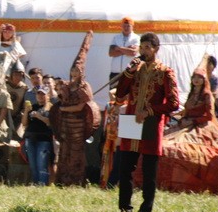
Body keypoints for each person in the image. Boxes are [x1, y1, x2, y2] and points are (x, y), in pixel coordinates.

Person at [115, 32, 179, 212]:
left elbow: (174, 103)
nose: (143, 51)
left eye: (147, 48)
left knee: (149, 171)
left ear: (156, 49)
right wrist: (128, 72)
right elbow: (120, 94)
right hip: (131, 120)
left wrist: (150, 111)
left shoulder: (165, 72)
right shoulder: (135, 69)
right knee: (125, 168)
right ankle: (124, 209)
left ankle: (145, 211)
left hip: (151, 123)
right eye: (141, 48)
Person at [49, 31, 99, 186]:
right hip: (66, 125)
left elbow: (81, 106)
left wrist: (65, 110)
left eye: (77, 70)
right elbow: (59, 99)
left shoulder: (84, 87)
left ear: (81, 72)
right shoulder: (66, 86)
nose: (74, 73)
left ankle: (76, 181)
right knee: (64, 151)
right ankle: (62, 181)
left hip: (78, 125)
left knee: (76, 153)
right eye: (73, 70)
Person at [21, 86, 53, 185]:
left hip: (44, 139)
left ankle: (42, 184)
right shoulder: (32, 107)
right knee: (33, 165)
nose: (40, 96)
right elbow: (24, 123)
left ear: (48, 96)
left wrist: (39, 116)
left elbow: (51, 123)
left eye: (43, 94)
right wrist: (26, 111)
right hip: (30, 138)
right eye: (38, 93)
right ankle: (36, 184)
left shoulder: (51, 108)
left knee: (41, 164)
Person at [108, 16, 139, 85]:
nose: (126, 28)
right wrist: (127, 49)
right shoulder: (116, 38)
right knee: (113, 91)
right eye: (124, 26)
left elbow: (133, 52)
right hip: (115, 72)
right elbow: (111, 53)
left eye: (128, 26)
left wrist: (118, 48)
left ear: (132, 26)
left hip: (130, 73)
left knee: (129, 91)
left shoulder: (136, 38)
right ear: (121, 26)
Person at [4, 61, 28, 139]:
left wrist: (21, 115)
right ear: (11, 75)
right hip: (3, 115)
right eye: (16, 75)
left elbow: (24, 105)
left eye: (20, 75)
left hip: (16, 117)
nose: (18, 77)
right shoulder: (4, 85)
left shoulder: (24, 88)